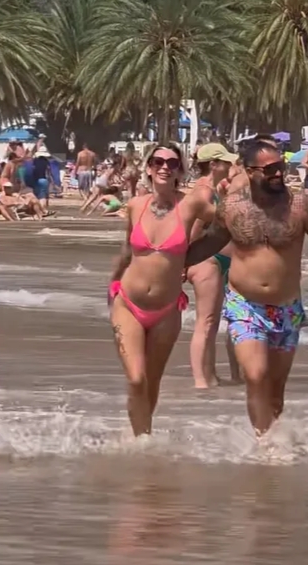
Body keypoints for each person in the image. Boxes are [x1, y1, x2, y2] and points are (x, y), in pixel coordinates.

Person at [185, 141, 308, 437]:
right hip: (245, 305)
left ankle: (273, 440)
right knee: (256, 375)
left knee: (275, 391)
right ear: (250, 172)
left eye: (281, 167)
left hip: (287, 308)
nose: (278, 173)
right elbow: (211, 243)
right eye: (270, 169)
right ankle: (264, 445)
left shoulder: (300, 205)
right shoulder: (232, 207)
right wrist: (174, 263)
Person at [108, 143, 217, 437]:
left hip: (166, 311)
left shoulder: (191, 204)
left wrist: (192, 256)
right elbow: (127, 250)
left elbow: (225, 225)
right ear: (148, 167)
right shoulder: (136, 205)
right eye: (158, 161)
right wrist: (112, 283)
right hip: (128, 303)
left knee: (152, 381)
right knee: (136, 379)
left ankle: (142, 439)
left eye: (172, 162)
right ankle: (139, 439)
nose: (164, 167)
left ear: (180, 170)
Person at [185, 143, 239, 388]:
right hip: (207, 261)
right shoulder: (203, 192)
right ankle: (200, 380)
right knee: (205, 322)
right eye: (225, 162)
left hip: (218, 260)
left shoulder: (214, 189)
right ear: (213, 164)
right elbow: (192, 231)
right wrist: (184, 264)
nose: (229, 166)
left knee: (212, 323)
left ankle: (211, 375)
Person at [32, 146, 53, 214]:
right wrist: (52, 181)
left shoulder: (34, 161)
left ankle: (38, 210)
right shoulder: (46, 162)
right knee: (43, 196)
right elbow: (48, 172)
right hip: (43, 180)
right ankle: (43, 210)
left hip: (35, 180)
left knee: (37, 196)